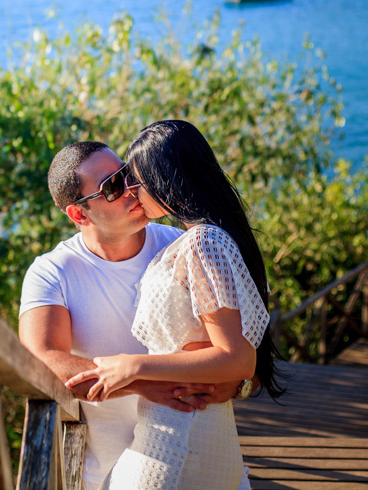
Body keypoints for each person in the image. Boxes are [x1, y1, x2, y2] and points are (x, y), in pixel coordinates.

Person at [66, 120, 284, 490]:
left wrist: (132, 366)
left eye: (135, 180)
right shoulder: (198, 237)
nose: (130, 193)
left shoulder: (202, 242)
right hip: (180, 434)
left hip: (178, 441)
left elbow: (239, 358)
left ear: (164, 178)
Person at [19, 141, 249, 490]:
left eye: (128, 174)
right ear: (79, 214)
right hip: (112, 475)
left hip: (205, 459)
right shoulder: (53, 272)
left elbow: (237, 350)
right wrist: (142, 385)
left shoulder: (182, 247)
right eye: (111, 187)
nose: (131, 189)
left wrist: (240, 382)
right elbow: (41, 359)